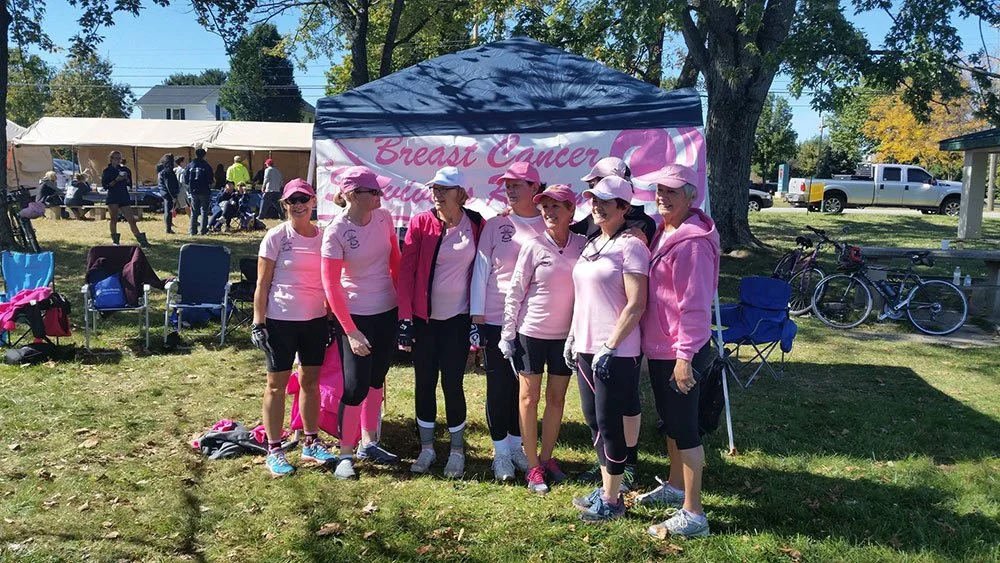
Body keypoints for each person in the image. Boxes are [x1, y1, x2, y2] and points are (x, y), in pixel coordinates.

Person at [632, 165, 719, 539]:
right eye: (659, 191)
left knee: (685, 431)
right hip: (663, 346)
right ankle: (674, 485)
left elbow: (695, 306)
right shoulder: (665, 231)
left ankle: (694, 513)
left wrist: (684, 359)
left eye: (671, 192)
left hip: (682, 350)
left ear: (691, 197)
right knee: (670, 423)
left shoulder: (693, 243)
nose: (662, 197)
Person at [566, 175, 649, 522]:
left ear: (624, 208)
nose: (596, 206)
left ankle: (613, 502)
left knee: (608, 424)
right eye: (593, 200)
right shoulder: (591, 243)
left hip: (616, 351)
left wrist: (610, 346)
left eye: (604, 201)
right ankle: (606, 489)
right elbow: (582, 297)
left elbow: (636, 304)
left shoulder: (631, 246)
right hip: (585, 346)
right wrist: (572, 336)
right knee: (593, 423)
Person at [499, 185, 586, 494]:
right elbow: (516, 291)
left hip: (565, 338)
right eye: (545, 207)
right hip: (530, 333)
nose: (549, 212)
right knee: (528, 399)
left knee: (557, 399)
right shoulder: (533, 245)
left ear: (571, 212)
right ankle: (533, 465)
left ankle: (548, 458)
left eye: (556, 207)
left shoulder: (584, 245)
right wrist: (508, 332)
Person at [398, 166, 483, 478]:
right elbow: (406, 272)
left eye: (444, 189)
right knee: (424, 382)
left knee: (452, 383)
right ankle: (427, 448)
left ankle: (457, 450)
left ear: (460, 193)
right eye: (434, 189)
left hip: (458, 320)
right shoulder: (421, 221)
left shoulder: (476, 223)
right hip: (425, 320)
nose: (437, 194)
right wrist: (405, 317)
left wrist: (478, 316)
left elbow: (484, 271)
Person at [251, 178, 336, 477]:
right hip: (280, 320)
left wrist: (330, 318)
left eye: (304, 199)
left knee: (311, 382)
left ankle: (310, 442)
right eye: (292, 200)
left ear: (314, 202)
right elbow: (262, 284)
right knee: (276, 385)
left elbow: (330, 282)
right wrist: (258, 323)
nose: (299, 205)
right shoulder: (276, 237)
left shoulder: (325, 237)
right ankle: (274, 448)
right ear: (285, 205)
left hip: (314, 320)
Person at [321, 166, 401, 480]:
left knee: (376, 379)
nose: (381, 195)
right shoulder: (337, 231)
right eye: (374, 191)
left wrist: (399, 302)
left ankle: (370, 442)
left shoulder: (384, 218)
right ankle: (345, 455)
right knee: (354, 388)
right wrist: (350, 330)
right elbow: (331, 284)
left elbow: (395, 259)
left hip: (386, 311)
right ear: (354, 196)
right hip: (354, 316)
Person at [469, 161, 547, 481]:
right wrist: (476, 318)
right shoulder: (494, 225)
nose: (510, 189)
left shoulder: (548, 223)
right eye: (507, 185)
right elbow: (480, 271)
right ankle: (500, 453)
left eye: (517, 184)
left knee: (524, 389)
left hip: (531, 320)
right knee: (498, 386)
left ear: (535, 188)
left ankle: (517, 446)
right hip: (495, 318)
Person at [570, 157, 656, 245]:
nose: (596, 190)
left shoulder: (643, 225)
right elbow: (564, 236)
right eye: (591, 185)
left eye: (603, 183)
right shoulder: (594, 218)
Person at [100, 151, 149, 247]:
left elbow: (129, 184)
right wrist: (116, 180)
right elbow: (106, 186)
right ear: (111, 159)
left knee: (131, 219)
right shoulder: (107, 171)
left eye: (119, 158)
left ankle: (141, 240)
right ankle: (115, 240)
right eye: (116, 158)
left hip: (123, 196)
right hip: (113, 196)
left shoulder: (125, 170)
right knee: (114, 219)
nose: (118, 160)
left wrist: (126, 179)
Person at [185, 148, 215, 235]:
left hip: (193, 191)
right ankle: (203, 230)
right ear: (204, 156)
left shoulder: (190, 165)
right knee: (204, 211)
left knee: (194, 211)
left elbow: (185, 178)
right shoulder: (206, 166)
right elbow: (210, 180)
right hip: (204, 190)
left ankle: (192, 231)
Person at [156, 153, 180, 234]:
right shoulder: (168, 171)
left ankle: (168, 227)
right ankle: (168, 229)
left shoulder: (161, 170)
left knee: (168, 210)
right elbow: (169, 185)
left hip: (163, 192)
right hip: (168, 193)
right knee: (169, 211)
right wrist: (173, 196)